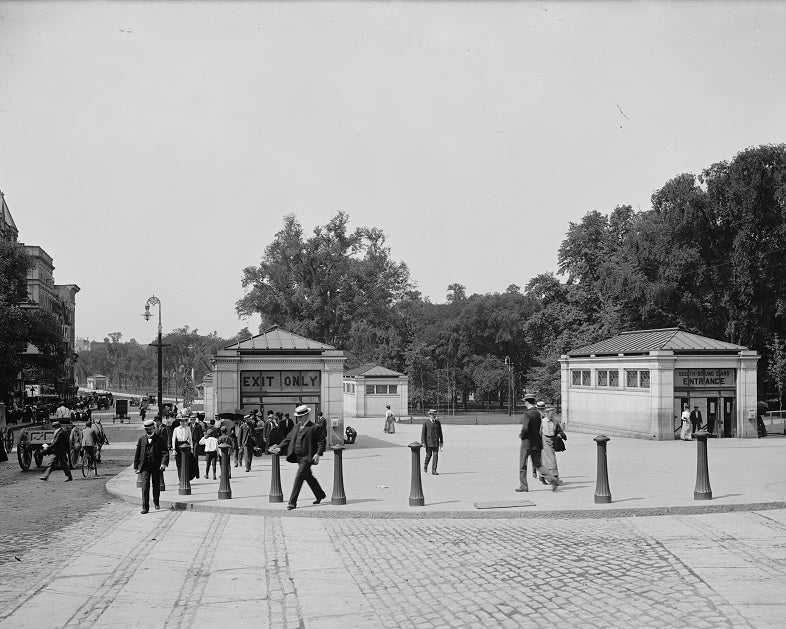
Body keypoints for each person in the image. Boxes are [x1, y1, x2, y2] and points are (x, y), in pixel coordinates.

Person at [269, 404, 326, 511]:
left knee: (299, 477)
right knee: (308, 476)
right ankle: (320, 494)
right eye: (298, 416)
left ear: (307, 415)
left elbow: (322, 441)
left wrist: (318, 453)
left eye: (301, 416)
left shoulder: (314, 427)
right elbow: (288, 439)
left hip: (307, 457)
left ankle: (292, 502)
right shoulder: (296, 427)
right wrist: (279, 447)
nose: (299, 418)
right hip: (298, 457)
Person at [517, 393, 560, 491]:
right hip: (537, 442)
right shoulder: (538, 413)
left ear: (527, 402)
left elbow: (526, 428)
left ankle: (524, 486)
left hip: (527, 443)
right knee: (538, 464)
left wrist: (522, 435)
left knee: (523, 464)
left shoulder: (526, 414)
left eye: (525, 402)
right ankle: (552, 481)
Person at [133, 418, 169, 514]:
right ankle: (145, 507)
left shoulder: (160, 439)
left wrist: (163, 463)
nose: (148, 432)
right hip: (145, 466)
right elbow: (138, 453)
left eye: (150, 430)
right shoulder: (141, 439)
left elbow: (165, 452)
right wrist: (136, 467)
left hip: (156, 466)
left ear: (153, 428)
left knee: (156, 485)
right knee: (145, 486)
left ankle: (156, 502)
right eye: (146, 430)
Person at [538, 403, 565, 485]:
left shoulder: (555, 421)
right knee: (552, 460)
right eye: (551, 413)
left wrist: (560, 434)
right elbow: (538, 433)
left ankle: (542, 476)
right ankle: (555, 478)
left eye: (553, 413)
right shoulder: (542, 422)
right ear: (546, 413)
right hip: (544, 441)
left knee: (546, 461)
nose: (553, 414)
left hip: (553, 441)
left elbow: (559, 430)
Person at [421, 409, 444, 475]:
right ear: (429, 415)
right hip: (428, 442)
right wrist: (423, 443)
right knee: (428, 455)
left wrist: (441, 443)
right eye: (432, 414)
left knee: (435, 456)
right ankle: (425, 465)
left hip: (436, 442)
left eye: (434, 414)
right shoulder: (426, 423)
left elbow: (440, 433)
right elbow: (423, 434)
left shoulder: (438, 423)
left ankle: (434, 470)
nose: (433, 416)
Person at [172, 415, 193, 480]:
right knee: (179, 463)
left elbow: (190, 438)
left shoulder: (188, 428)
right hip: (178, 445)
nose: (183, 423)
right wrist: (173, 449)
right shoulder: (176, 429)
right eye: (181, 421)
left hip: (185, 444)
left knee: (187, 462)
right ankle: (180, 478)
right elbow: (173, 439)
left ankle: (186, 477)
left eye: (184, 421)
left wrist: (191, 448)